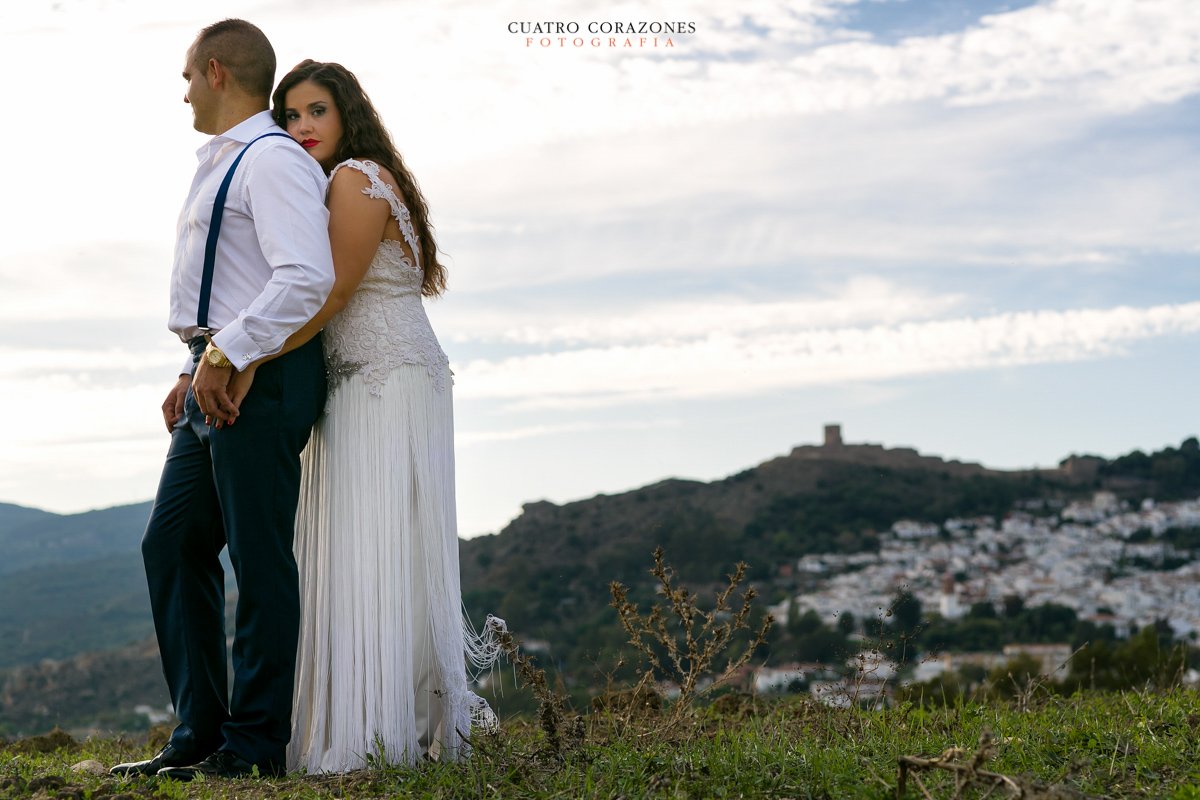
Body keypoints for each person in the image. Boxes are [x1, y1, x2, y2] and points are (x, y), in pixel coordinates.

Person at [222, 59, 501, 773]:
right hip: (392, 374)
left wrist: (247, 355)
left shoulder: (353, 179)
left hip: (379, 378)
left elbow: (336, 292)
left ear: (347, 113)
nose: (301, 127)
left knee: (375, 540)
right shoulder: (366, 177)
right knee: (383, 544)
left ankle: (376, 730)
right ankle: (390, 720)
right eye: (289, 115)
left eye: (316, 111)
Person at [110, 20, 335, 781]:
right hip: (212, 373)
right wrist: (193, 361)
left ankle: (254, 745)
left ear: (214, 71)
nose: (182, 93)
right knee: (171, 545)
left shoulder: (272, 161)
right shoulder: (223, 164)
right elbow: (229, 283)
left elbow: (304, 275)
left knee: (259, 555)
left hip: (261, 378)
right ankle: (196, 735)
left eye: (185, 78)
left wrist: (227, 351)